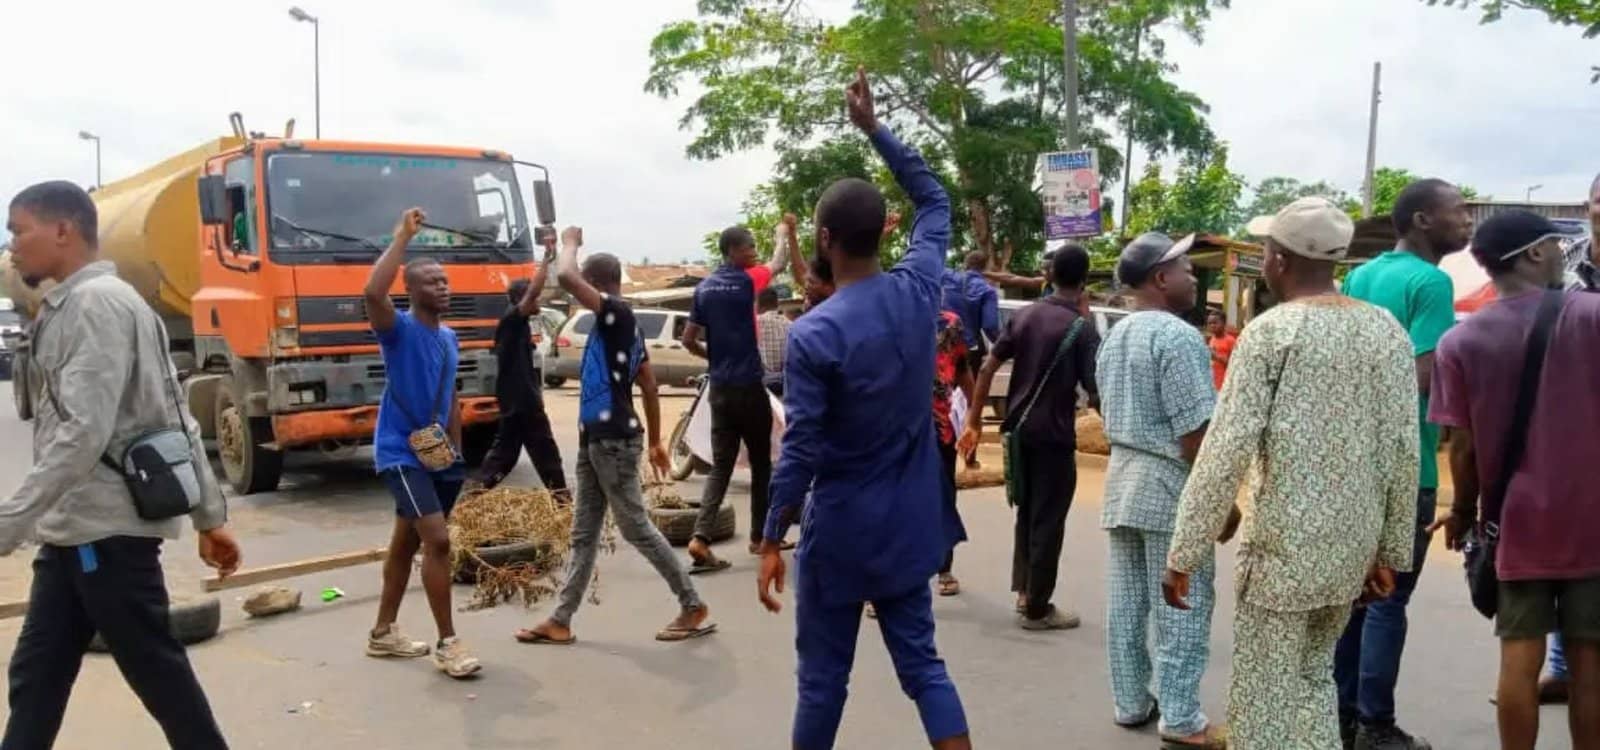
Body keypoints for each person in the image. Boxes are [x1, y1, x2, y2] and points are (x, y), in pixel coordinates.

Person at [756, 67, 970, 750]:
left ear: (823, 240)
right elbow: (934, 199)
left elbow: (804, 448)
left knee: (823, 682)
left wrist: (770, 534)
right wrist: (875, 129)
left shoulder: (815, 332)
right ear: (884, 231)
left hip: (843, 529)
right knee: (925, 669)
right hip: (911, 524)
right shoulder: (917, 290)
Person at [1163, 197, 1419, 750]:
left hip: (1282, 554)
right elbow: (1404, 450)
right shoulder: (1387, 333)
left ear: (1278, 258)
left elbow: (1224, 450)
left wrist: (1183, 550)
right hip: (1349, 553)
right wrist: (1390, 552)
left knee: (1264, 704)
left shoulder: (1271, 333)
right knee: (1311, 685)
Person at [0, 181, 239, 749]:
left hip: (103, 535)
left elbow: (83, 433)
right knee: (37, 679)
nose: (11, 247)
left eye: (19, 230)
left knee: (158, 675)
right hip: (74, 532)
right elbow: (176, 413)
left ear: (63, 231)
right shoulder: (85, 303)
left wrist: (8, 523)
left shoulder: (96, 306)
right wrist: (209, 515)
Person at [1427, 210, 1600, 750]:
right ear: (1533, 254)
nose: (1563, 256)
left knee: (1518, 659)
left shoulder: (1460, 342)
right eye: (1556, 246)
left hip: (1517, 524)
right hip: (1592, 520)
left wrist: (1463, 512)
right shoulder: (1594, 317)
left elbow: (1465, 447)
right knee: (1590, 666)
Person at [516, 228, 715, 646]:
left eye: (587, 285)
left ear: (600, 284)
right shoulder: (620, 330)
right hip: (597, 440)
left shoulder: (618, 314)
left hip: (613, 441)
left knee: (635, 527)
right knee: (583, 533)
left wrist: (568, 243)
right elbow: (648, 381)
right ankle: (561, 619)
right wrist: (659, 441)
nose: (576, 294)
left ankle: (692, 605)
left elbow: (568, 277)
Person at [1334, 178, 1471, 750]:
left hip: (1350, 459)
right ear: (1421, 220)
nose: (1467, 222)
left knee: (1354, 597)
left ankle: (1340, 715)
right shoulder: (1431, 282)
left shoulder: (1361, 276)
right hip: (1405, 464)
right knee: (1389, 598)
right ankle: (1375, 724)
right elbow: (1422, 373)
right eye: (1458, 212)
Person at [1096, 232, 1228, 747]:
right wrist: (1220, 502)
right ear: (1159, 278)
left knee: (1128, 602)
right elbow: (1196, 433)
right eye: (1186, 269)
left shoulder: (1117, 336)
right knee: (1182, 602)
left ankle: (1131, 701)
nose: (1195, 277)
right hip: (1169, 485)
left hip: (1122, 482)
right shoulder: (1176, 338)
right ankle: (1180, 715)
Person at [363, 207, 481, 680]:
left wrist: (454, 452)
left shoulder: (450, 337)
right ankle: (448, 644)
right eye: (432, 282)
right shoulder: (398, 331)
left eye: (445, 281)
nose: (443, 288)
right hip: (398, 452)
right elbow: (372, 291)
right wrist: (400, 240)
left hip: (437, 455)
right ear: (410, 290)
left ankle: (382, 633)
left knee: (404, 544)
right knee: (437, 540)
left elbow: (451, 395)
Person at [960, 245, 1099, 631]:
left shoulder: (1025, 316)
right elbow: (1096, 390)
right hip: (1055, 437)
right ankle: (1038, 608)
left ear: (1050, 277)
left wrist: (973, 422)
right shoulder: (1082, 328)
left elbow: (988, 368)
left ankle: (1024, 592)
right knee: (1049, 520)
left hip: (1018, 432)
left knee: (1027, 512)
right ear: (1084, 281)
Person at [682, 215, 792, 567]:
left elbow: (688, 340)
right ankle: (759, 538)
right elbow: (779, 262)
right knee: (762, 465)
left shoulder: (704, 289)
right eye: (749, 246)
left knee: (720, 467)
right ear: (732, 250)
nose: (754, 252)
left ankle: (700, 537)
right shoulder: (748, 280)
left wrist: (712, 359)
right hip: (749, 388)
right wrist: (781, 234)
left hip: (720, 390)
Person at [470, 238, 569, 496]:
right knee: (546, 457)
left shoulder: (518, 324)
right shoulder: (512, 320)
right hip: (522, 404)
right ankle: (564, 506)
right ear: (522, 299)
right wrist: (546, 259)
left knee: (504, 458)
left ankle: (468, 501)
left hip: (518, 402)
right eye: (533, 298)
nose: (538, 302)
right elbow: (534, 292)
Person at [931, 310, 974, 597]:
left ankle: (943, 566)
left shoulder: (950, 323)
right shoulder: (888, 317)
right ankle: (887, 585)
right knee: (894, 501)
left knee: (943, 497)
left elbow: (962, 369)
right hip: (895, 429)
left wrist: (974, 418)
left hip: (941, 428)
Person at [941, 250, 999, 373]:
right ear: (985, 267)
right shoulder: (988, 291)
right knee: (969, 390)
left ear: (965, 264)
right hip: (969, 348)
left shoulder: (946, 276)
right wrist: (1003, 346)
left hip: (943, 344)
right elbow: (990, 326)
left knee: (941, 387)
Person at [757, 287, 790, 395]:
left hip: (762, 385)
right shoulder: (790, 325)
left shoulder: (754, 323)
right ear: (777, 303)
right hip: (785, 383)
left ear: (758, 304)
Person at [1203, 309, 1235, 390]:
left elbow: (1235, 363)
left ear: (1224, 323)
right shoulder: (1212, 339)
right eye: (1209, 323)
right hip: (1213, 383)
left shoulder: (1230, 340)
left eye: (1215, 323)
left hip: (1225, 384)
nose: (1212, 325)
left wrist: (1217, 356)